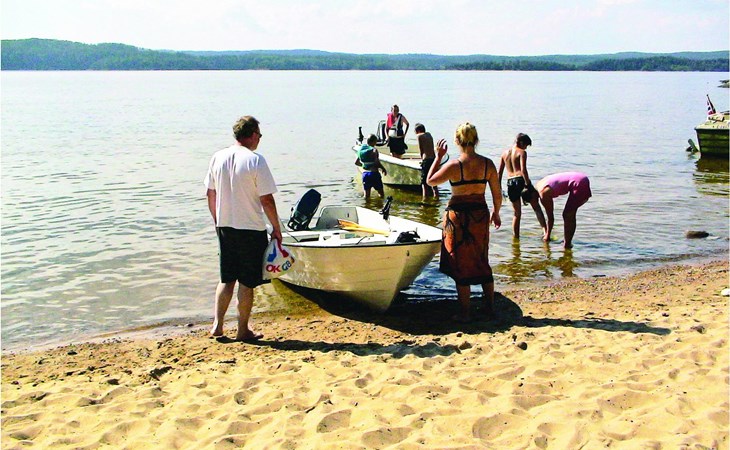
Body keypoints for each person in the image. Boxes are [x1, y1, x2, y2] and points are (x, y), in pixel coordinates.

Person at [204, 116, 282, 342]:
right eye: (259, 134)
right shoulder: (255, 160)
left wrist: (217, 220)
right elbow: (266, 199)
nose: (260, 139)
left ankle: (217, 326)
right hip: (250, 228)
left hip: (225, 226)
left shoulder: (218, 157)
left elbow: (210, 194)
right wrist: (276, 228)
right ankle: (242, 330)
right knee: (247, 282)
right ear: (252, 134)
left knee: (227, 278)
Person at [426, 122, 502, 323]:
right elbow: (497, 194)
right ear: (476, 140)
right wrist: (496, 213)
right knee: (481, 259)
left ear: (457, 141)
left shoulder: (454, 166)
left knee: (460, 263)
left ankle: (465, 313)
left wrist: (438, 157)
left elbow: (430, 181)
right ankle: (490, 308)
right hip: (479, 215)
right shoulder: (487, 164)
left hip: (458, 217)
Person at [497, 133, 547, 239]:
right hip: (521, 181)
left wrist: (499, 188)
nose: (526, 148)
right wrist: (529, 186)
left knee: (517, 213)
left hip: (510, 182)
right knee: (536, 207)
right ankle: (545, 232)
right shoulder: (522, 152)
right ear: (521, 142)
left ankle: (516, 238)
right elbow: (523, 170)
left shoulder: (504, 154)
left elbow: (499, 173)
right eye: (526, 145)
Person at [534, 172, 592, 249]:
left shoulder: (543, 193)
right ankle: (567, 242)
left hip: (578, 183)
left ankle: (567, 244)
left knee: (568, 214)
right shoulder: (539, 184)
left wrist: (547, 236)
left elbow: (550, 217)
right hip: (581, 178)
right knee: (569, 213)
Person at [354, 134, 388, 199]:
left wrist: (364, 165)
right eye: (375, 142)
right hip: (374, 174)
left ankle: (366, 205)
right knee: (381, 194)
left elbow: (356, 163)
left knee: (366, 196)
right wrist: (383, 168)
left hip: (365, 174)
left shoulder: (361, 149)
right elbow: (377, 162)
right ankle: (380, 204)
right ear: (373, 141)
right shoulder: (374, 150)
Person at [415, 123, 439, 199]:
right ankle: (436, 198)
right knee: (433, 182)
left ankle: (425, 200)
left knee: (424, 183)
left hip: (426, 160)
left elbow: (421, 150)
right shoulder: (429, 134)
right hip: (433, 159)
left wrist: (422, 160)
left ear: (418, 131)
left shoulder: (419, 136)